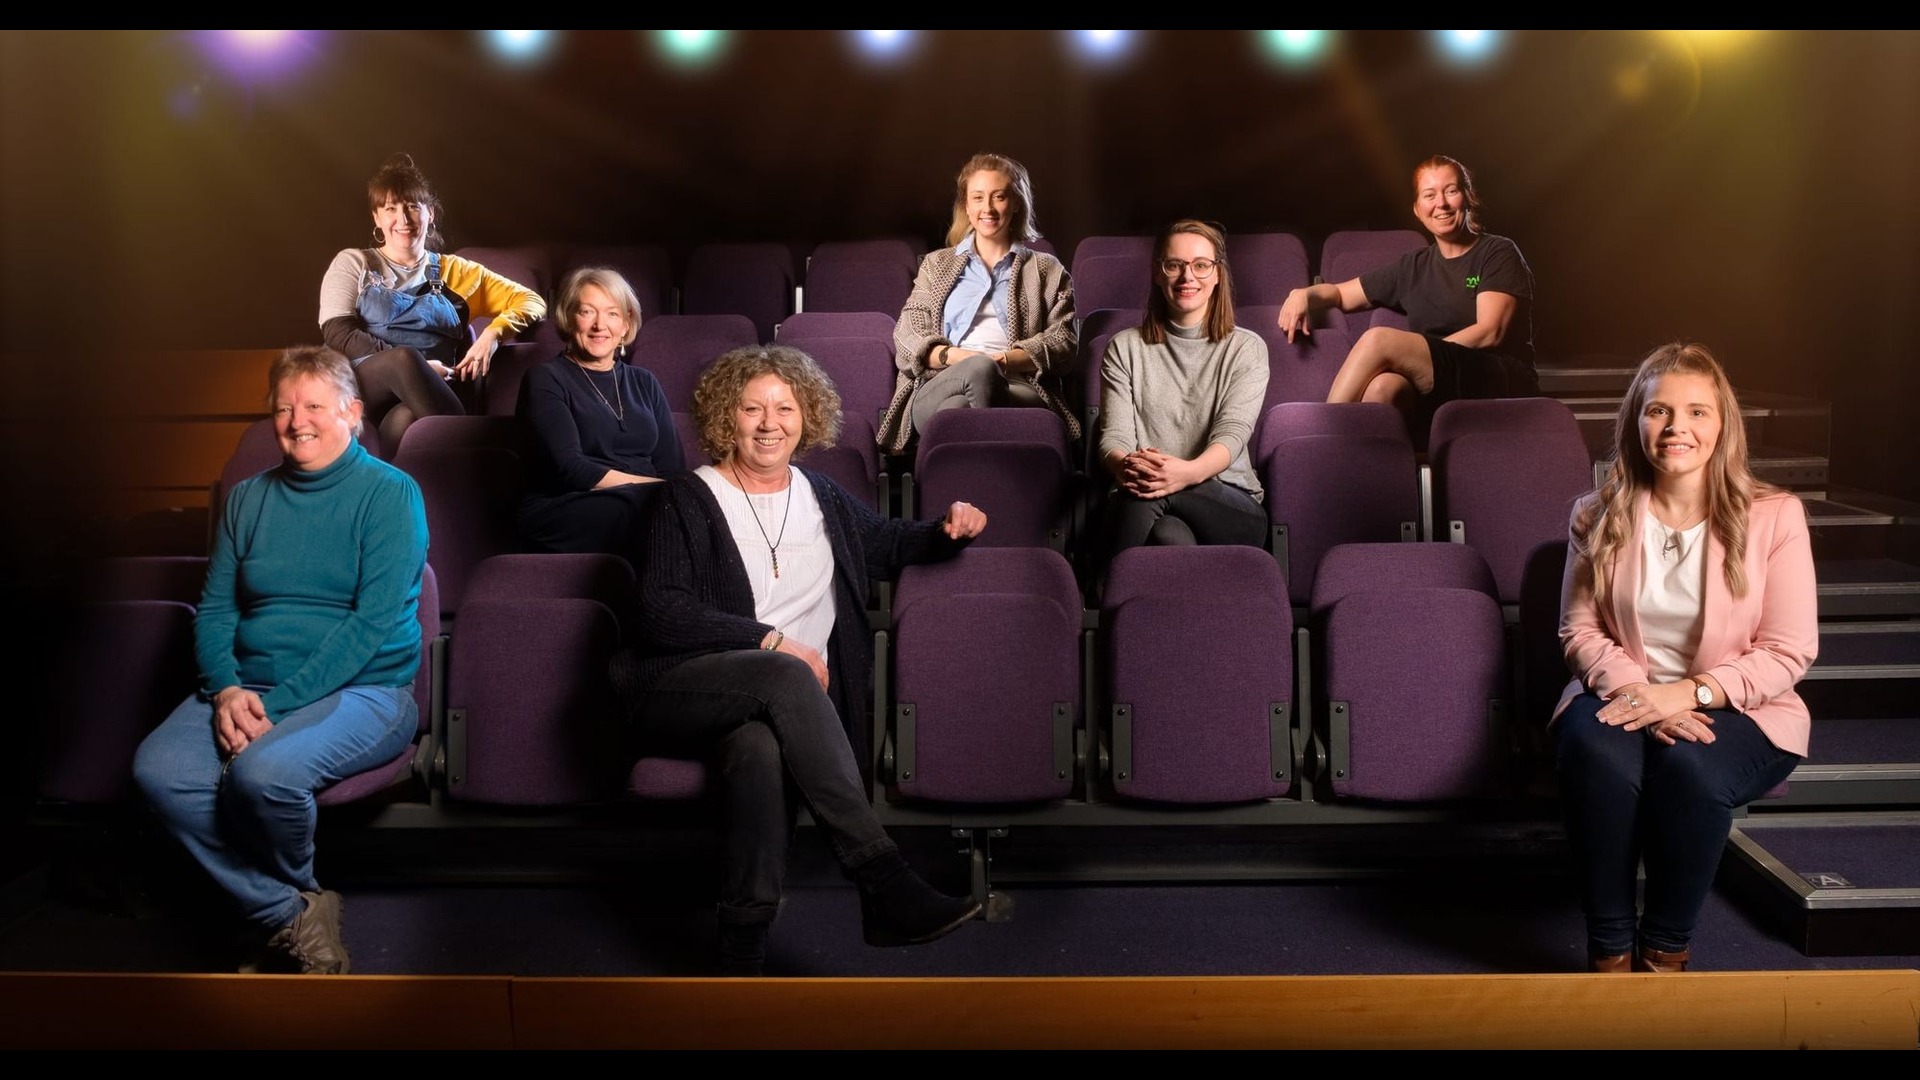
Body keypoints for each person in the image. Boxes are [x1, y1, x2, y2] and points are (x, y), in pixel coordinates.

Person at [611, 344, 988, 976]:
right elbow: (660, 610)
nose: (769, 423)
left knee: (756, 748)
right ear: (725, 419)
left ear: (805, 418)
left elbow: (886, 542)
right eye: (752, 408)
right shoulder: (686, 498)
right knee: (783, 676)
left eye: (784, 408)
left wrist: (948, 527)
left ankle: (742, 945)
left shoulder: (822, 496)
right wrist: (771, 641)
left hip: (772, 705)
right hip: (678, 688)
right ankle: (882, 878)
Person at [133, 345, 428, 975]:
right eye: (284, 408)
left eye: (315, 406)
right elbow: (214, 611)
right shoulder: (247, 499)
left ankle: (282, 930)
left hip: (366, 690)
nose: (299, 421)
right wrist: (227, 690)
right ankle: (289, 913)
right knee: (158, 771)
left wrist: (275, 703)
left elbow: (371, 626)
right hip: (250, 685)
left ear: (352, 413)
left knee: (264, 776)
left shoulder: (391, 494)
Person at [1553, 342, 1816, 973]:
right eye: (1659, 411)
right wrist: (1641, 693)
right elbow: (1578, 631)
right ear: (1634, 422)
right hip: (1618, 692)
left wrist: (1690, 693)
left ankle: (1665, 950)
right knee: (1596, 756)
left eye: (1697, 412)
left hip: (1739, 704)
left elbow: (1788, 650)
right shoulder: (1595, 514)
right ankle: (1610, 949)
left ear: (1722, 424)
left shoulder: (1776, 517)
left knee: (1690, 770)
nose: (1677, 428)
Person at [1275, 155, 1536, 434]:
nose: (1442, 204)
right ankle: (1377, 470)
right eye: (1429, 195)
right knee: (1382, 388)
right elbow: (1339, 294)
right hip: (1440, 380)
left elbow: (1490, 332)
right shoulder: (1413, 266)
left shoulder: (1498, 252)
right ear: (1417, 209)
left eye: (1451, 191)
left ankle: (1321, 441)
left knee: (1379, 340)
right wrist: (1301, 294)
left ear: (1467, 197)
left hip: (1497, 375)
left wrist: (1413, 355)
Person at [317, 152, 547, 452]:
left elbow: (531, 300)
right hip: (362, 385)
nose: (403, 219)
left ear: (430, 214)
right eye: (391, 208)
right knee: (404, 359)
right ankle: (490, 450)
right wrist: (421, 368)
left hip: (431, 393)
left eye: (413, 207)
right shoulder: (353, 262)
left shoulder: (459, 271)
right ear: (377, 217)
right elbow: (338, 334)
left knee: (405, 422)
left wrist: (493, 334)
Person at [876, 152, 1079, 454]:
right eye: (978, 197)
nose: (988, 208)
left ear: (1016, 203)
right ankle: (997, 483)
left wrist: (1006, 360)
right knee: (976, 374)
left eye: (999, 197)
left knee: (956, 411)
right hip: (939, 382)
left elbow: (1064, 343)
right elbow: (907, 338)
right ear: (966, 206)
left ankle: (964, 488)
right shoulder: (936, 265)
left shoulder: (1047, 270)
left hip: (1019, 386)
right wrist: (960, 358)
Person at [1097, 220, 1270, 562]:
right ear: (1158, 273)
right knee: (1169, 536)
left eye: (1201, 265)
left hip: (1229, 502)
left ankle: (1100, 600)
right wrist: (1130, 467)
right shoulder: (1123, 348)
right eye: (1174, 265)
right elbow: (1114, 439)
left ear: (1218, 274)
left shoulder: (1246, 348)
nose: (1187, 277)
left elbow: (1232, 434)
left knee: (1147, 492)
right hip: (1146, 495)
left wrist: (1181, 474)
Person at [517, 266, 683, 555]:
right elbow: (571, 470)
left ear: (626, 325)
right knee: (642, 510)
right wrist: (660, 491)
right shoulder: (546, 379)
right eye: (587, 312)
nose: (599, 325)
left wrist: (669, 492)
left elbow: (672, 467)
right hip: (568, 503)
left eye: (612, 313)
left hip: (646, 501)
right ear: (569, 319)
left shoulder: (645, 381)